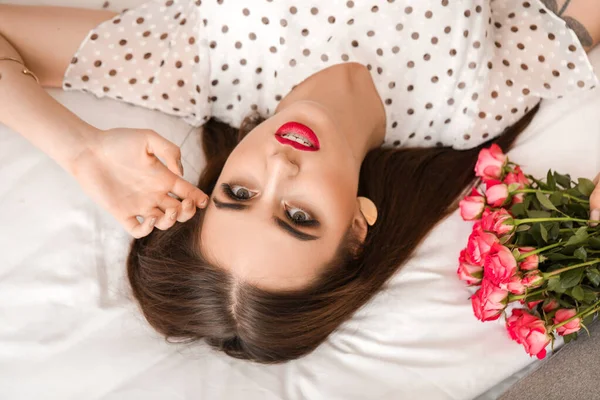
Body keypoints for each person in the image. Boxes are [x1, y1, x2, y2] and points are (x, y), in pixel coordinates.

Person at [1, 0, 599, 363]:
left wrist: (79, 149)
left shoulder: (196, 66)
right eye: (299, 217)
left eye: (239, 195)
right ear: (359, 227)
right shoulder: (469, 109)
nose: (280, 171)